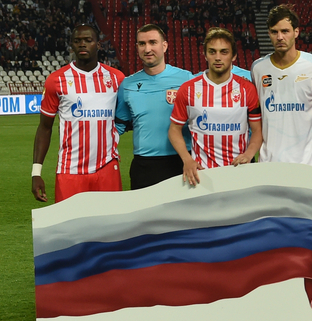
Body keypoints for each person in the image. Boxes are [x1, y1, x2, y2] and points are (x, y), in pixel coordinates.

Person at [32, 25, 125, 202]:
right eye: (77, 41)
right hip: (70, 170)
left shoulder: (116, 78)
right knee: (71, 229)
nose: (83, 44)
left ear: (98, 44)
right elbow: (44, 128)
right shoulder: (56, 80)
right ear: (71, 46)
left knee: (111, 228)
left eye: (88, 40)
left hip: (107, 168)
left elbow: (125, 117)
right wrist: (36, 172)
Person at [168, 28, 263, 186]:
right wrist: (187, 160)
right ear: (205, 55)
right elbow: (174, 129)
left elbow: (258, 130)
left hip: (240, 172)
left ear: (233, 56)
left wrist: (249, 154)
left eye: (224, 52)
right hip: (201, 175)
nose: (218, 58)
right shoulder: (188, 89)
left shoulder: (247, 89)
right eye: (212, 52)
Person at [250, 4, 312, 168]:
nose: (280, 37)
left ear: (296, 32)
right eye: (274, 32)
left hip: (309, 161)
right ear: (269, 34)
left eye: (285, 31)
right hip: (270, 162)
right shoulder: (258, 68)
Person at [115, 24, 194, 189]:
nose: (147, 48)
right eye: (142, 44)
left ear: (164, 46)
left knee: (183, 215)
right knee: (144, 215)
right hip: (144, 165)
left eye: (153, 42)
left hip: (181, 161)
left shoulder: (186, 79)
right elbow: (119, 126)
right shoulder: (127, 85)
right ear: (137, 47)